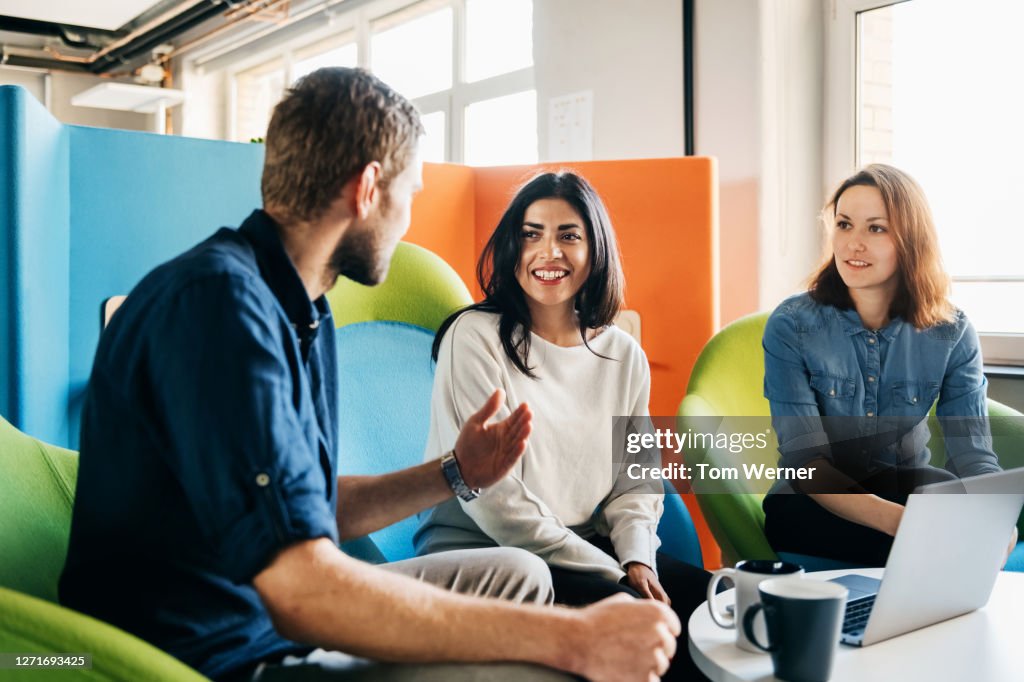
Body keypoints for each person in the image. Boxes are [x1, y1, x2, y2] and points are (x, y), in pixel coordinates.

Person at [58, 68, 681, 682]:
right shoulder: (221, 309)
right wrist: (574, 640)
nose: (408, 218)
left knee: (517, 577)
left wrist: (453, 473)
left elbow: (306, 510)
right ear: (367, 189)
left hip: (269, 609)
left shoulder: (302, 310)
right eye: (409, 194)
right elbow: (301, 591)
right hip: (218, 648)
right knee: (547, 668)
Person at [414, 171, 711, 681]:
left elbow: (635, 481)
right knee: (650, 633)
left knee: (718, 610)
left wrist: (637, 558)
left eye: (568, 236)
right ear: (511, 247)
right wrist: (614, 574)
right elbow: (496, 501)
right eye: (531, 234)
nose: (547, 252)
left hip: (582, 547)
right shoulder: (475, 338)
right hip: (490, 553)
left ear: (596, 251)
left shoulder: (623, 354)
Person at [761, 163, 1018, 567]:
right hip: (815, 501)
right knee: (940, 549)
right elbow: (805, 463)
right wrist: (902, 524)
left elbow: (973, 455)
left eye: (875, 228)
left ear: (911, 240)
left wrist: (995, 517)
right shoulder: (792, 325)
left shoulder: (951, 331)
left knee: (968, 524)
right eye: (844, 225)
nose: (852, 244)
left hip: (909, 489)